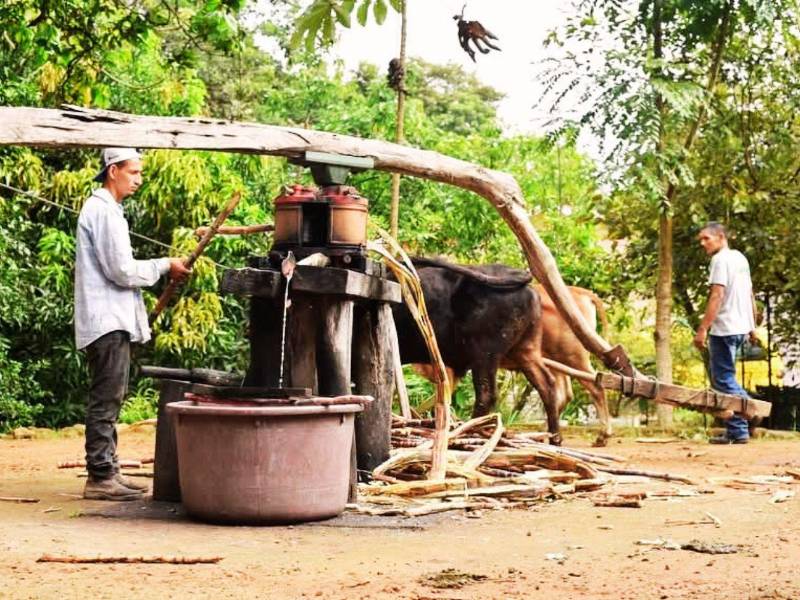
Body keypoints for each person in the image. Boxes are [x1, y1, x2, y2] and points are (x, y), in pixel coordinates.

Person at [74, 148, 191, 500]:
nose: (139, 179)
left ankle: (109, 470)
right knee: (106, 399)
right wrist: (163, 265)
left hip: (111, 319)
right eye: (134, 172)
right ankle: (99, 476)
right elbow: (122, 271)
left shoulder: (109, 211)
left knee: (111, 395)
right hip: (106, 320)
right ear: (114, 171)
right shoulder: (103, 212)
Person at [693, 222, 757, 444]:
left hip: (725, 328)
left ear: (721, 237)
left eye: (706, 239)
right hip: (739, 327)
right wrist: (751, 326)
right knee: (725, 378)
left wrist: (703, 329)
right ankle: (738, 431)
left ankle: (751, 408)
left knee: (723, 379)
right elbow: (750, 294)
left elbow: (717, 296)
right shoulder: (740, 258)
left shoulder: (720, 260)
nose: (702, 244)